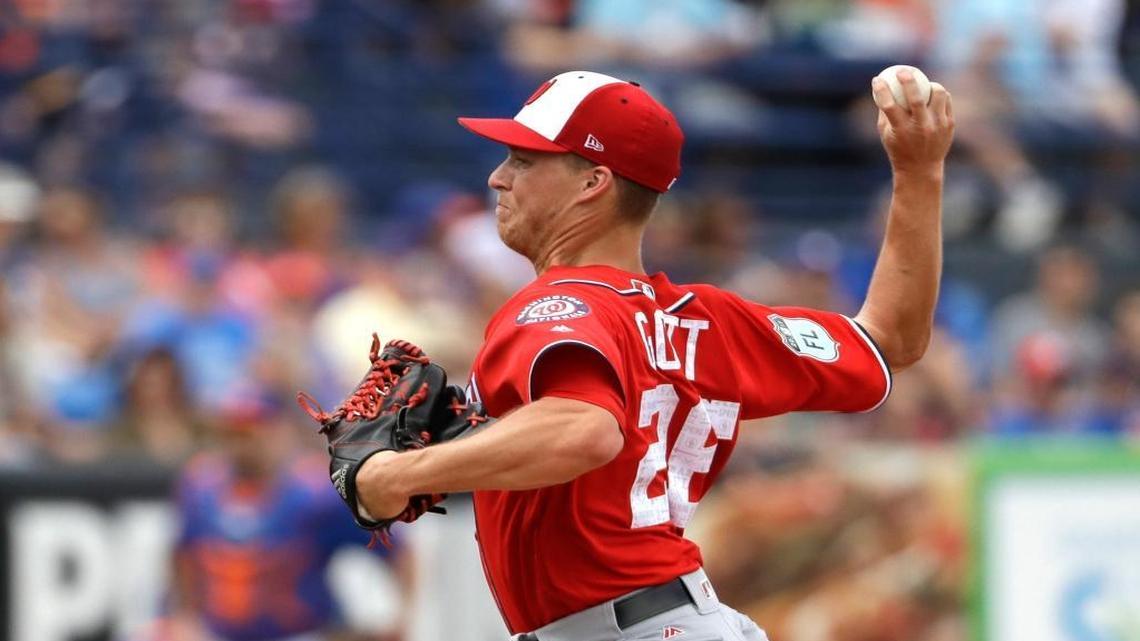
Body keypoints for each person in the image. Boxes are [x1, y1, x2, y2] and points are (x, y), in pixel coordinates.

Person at [349, 69, 953, 640]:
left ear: (593, 183)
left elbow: (585, 431)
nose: (498, 177)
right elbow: (889, 340)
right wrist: (919, 174)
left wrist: (396, 477)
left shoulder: (554, 306)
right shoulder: (710, 321)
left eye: (525, 160)